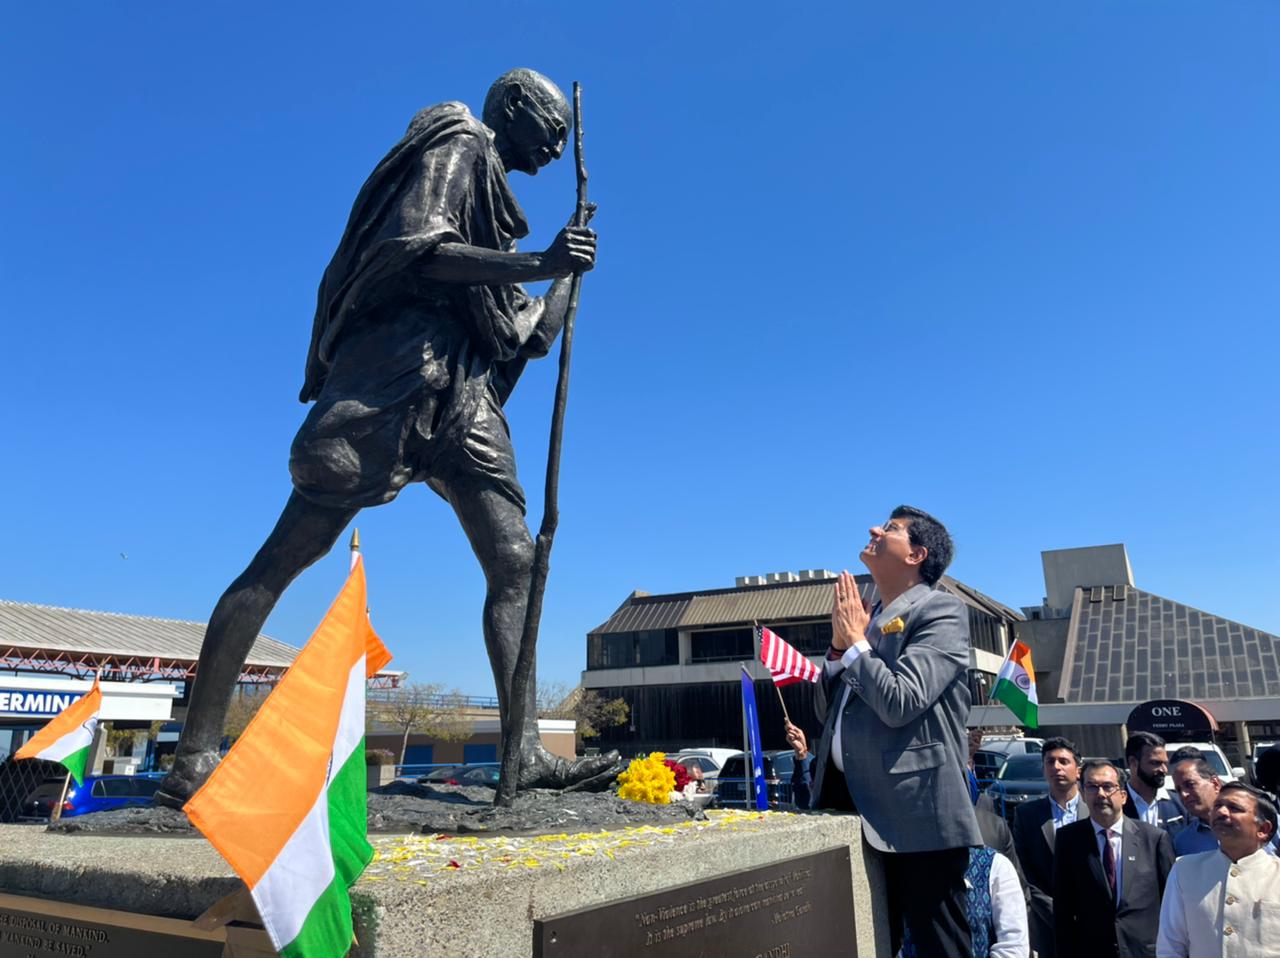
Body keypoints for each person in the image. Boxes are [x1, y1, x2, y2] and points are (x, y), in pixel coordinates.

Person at [159, 69, 613, 805]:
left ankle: (523, 752)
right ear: (515, 109)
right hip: (398, 374)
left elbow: (519, 334)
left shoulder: (495, 192)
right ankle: (194, 760)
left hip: (462, 396)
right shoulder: (459, 143)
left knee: (516, 561)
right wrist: (543, 261)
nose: (557, 151)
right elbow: (420, 253)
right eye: (551, 133)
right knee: (288, 554)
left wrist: (569, 274)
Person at [808, 506, 982, 957]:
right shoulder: (866, 620)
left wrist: (857, 646)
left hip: (916, 814)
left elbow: (901, 702)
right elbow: (824, 713)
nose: (874, 530)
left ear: (917, 554)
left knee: (939, 945)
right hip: (849, 804)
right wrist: (836, 649)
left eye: (891, 529)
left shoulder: (941, 609)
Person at [1052, 761, 1174, 957]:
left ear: (1123, 796)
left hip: (1145, 951)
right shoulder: (1069, 839)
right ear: (1083, 794)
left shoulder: (1154, 839)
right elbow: (1063, 908)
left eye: (1108, 786)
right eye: (1092, 787)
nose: (1101, 794)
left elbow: (1171, 905)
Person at [1158, 782, 1280, 957]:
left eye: (1234, 808)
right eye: (1218, 805)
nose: (1221, 812)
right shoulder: (1185, 869)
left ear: (1263, 829)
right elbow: (1170, 946)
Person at [1011, 736, 1085, 958]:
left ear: (1078, 770)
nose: (1056, 767)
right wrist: (1055, 911)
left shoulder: (1095, 811)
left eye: (1063, 761)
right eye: (1050, 762)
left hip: (1095, 923)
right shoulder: (1027, 815)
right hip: (1048, 924)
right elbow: (1023, 872)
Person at [1123, 731, 1186, 832]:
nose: (1164, 770)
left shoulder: (1180, 804)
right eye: (1155, 763)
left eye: (1165, 763)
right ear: (1133, 762)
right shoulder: (1116, 805)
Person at [1171, 753, 1226, 855]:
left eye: (1190, 785)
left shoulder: (1249, 825)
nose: (1184, 794)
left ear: (1215, 784)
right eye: (1178, 790)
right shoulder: (1182, 842)